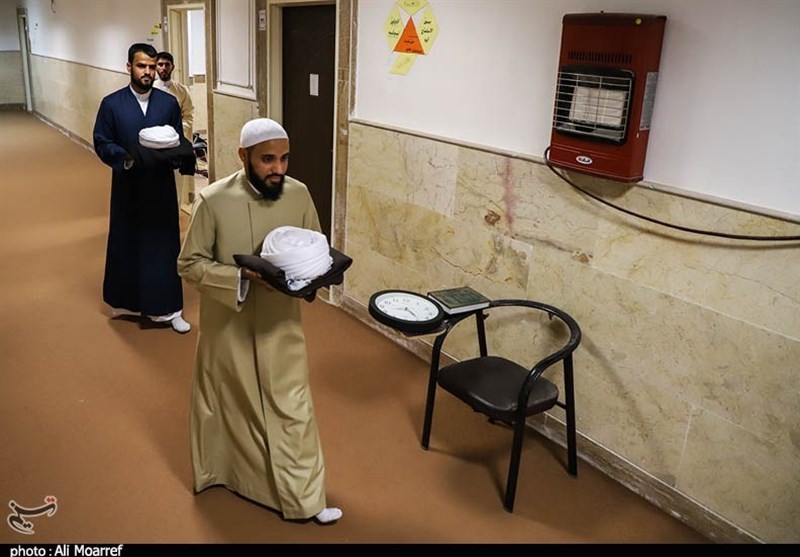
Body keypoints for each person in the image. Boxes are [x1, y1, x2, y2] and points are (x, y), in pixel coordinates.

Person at [177, 118, 342, 524]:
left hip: (280, 325)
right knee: (230, 407)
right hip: (226, 325)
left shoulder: (299, 194)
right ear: (243, 155)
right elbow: (189, 263)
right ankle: (226, 476)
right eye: (268, 159)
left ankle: (305, 499)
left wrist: (312, 279)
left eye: (284, 159)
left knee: (292, 408)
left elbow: (314, 248)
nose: (278, 169)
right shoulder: (213, 200)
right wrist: (240, 277)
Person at [93, 43, 193, 334]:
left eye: (151, 66)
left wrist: (179, 155)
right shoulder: (112, 104)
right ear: (129, 67)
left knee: (163, 245)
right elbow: (102, 141)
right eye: (141, 66)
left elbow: (177, 140)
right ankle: (128, 304)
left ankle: (170, 309)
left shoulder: (168, 104)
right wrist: (126, 158)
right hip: (128, 186)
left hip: (161, 187)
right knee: (127, 241)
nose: (148, 72)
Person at [154, 51, 196, 210]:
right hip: (153, 145)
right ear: (155, 67)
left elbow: (188, 116)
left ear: (172, 67)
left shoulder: (182, 90)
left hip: (175, 145)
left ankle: (174, 215)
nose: (163, 68)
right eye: (160, 64)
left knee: (176, 182)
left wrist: (175, 133)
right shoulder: (149, 89)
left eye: (167, 64)